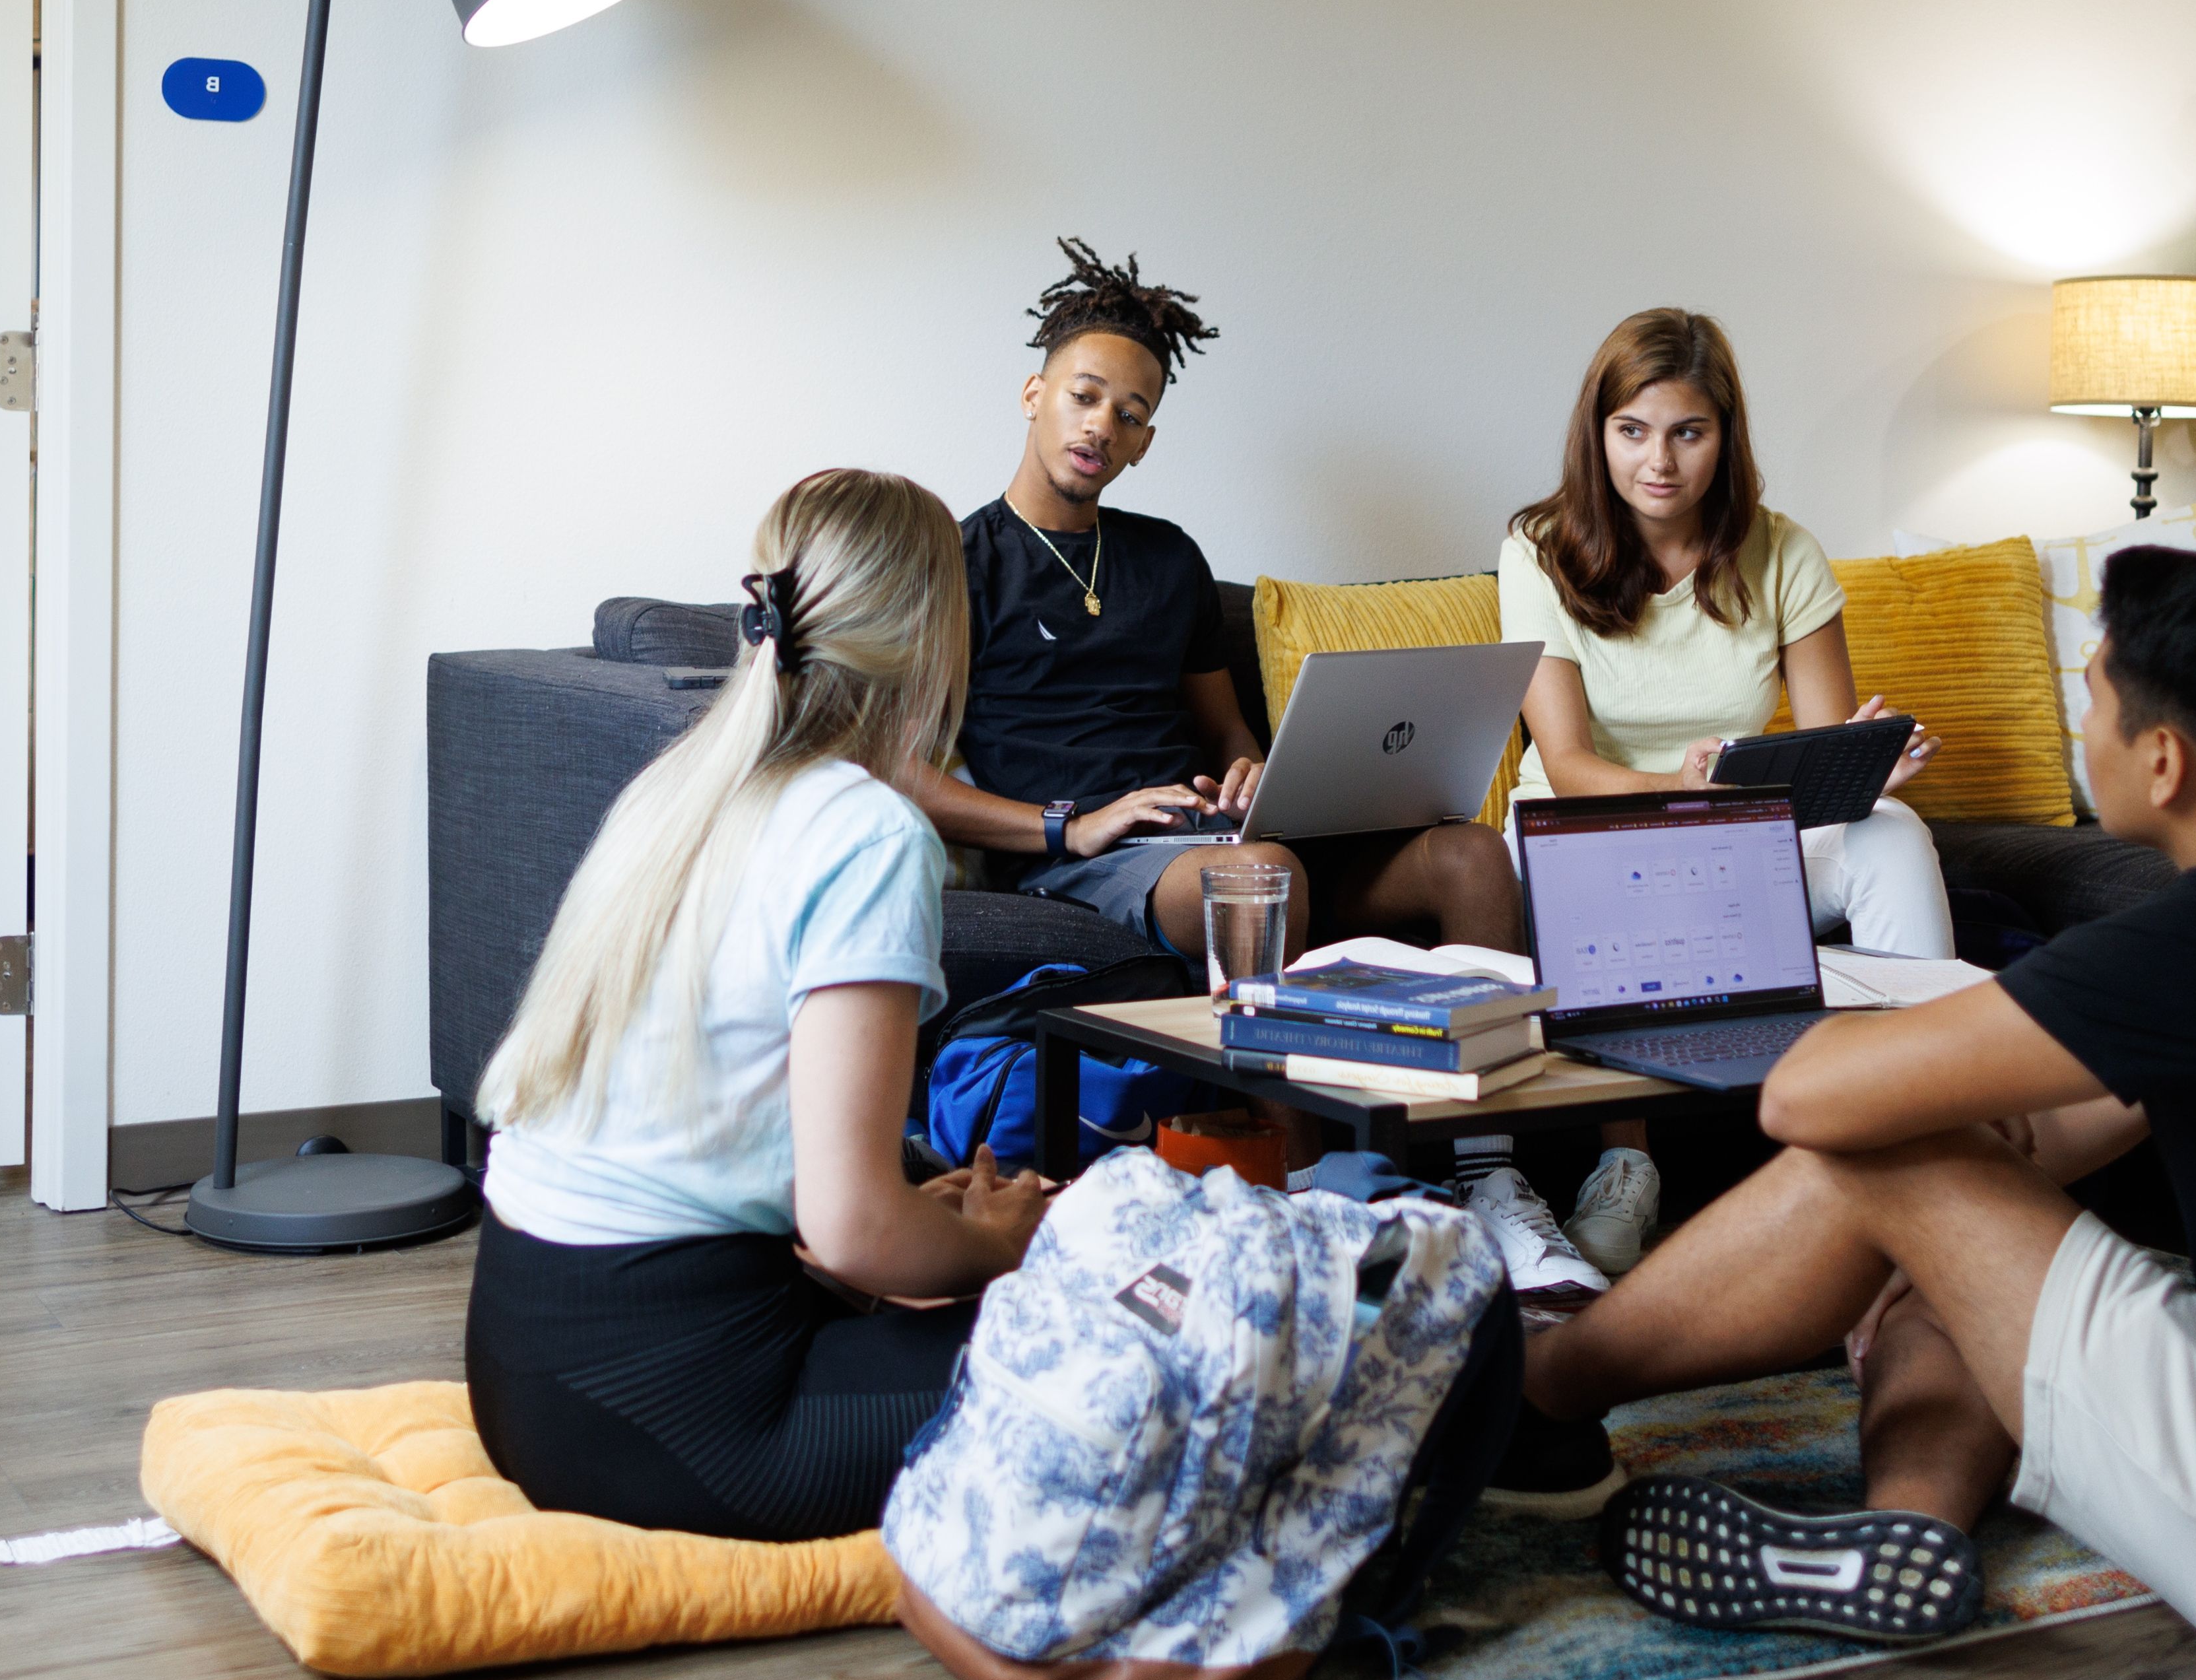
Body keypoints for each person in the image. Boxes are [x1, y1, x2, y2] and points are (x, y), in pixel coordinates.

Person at [1496, 541, 2196, 1680]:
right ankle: (1904, 1534)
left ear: (2163, 758)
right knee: (1946, 1197)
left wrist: (1908, 1146)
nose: (2077, 721)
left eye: (2087, 695)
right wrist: (1949, 1210)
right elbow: (2081, 1128)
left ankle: (1529, 1399)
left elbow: (1801, 1101)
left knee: (1887, 1160)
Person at [466, 468, 1055, 1540]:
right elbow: (852, 1230)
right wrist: (1003, 1246)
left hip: (523, 1375)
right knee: (1150, 1339)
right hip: (683, 1417)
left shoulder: (682, 789)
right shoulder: (868, 834)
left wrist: (932, 1221)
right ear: (935, 638)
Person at [906, 240, 1527, 963]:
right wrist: (1068, 827)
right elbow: (899, 767)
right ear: (1033, 396)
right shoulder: (954, 561)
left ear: (1144, 443)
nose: (1102, 425)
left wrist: (1251, 774)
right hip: (1085, 860)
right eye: (1084, 396)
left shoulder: (1169, 557)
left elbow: (1226, 729)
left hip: (1216, 840)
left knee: (1472, 855)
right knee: (1263, 877)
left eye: (1130, 415)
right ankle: (1264, 1080)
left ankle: (1495, 1076)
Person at [1495, 306, 1949, 1275]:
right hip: (1589, 829)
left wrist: (1868, 765)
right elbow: (1567, 762)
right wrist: (1674, 785)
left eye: (1688, 433)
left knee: (1895, 833)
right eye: (1633, 432)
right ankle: (1628, 1170)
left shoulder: (1783, 550)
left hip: (1737, 832)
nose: (1659, 461)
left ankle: (1923, 1134)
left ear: (1726, 438)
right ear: (1599, 434)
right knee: (1603, 856)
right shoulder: (1537, 549)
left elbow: (1829, 744)